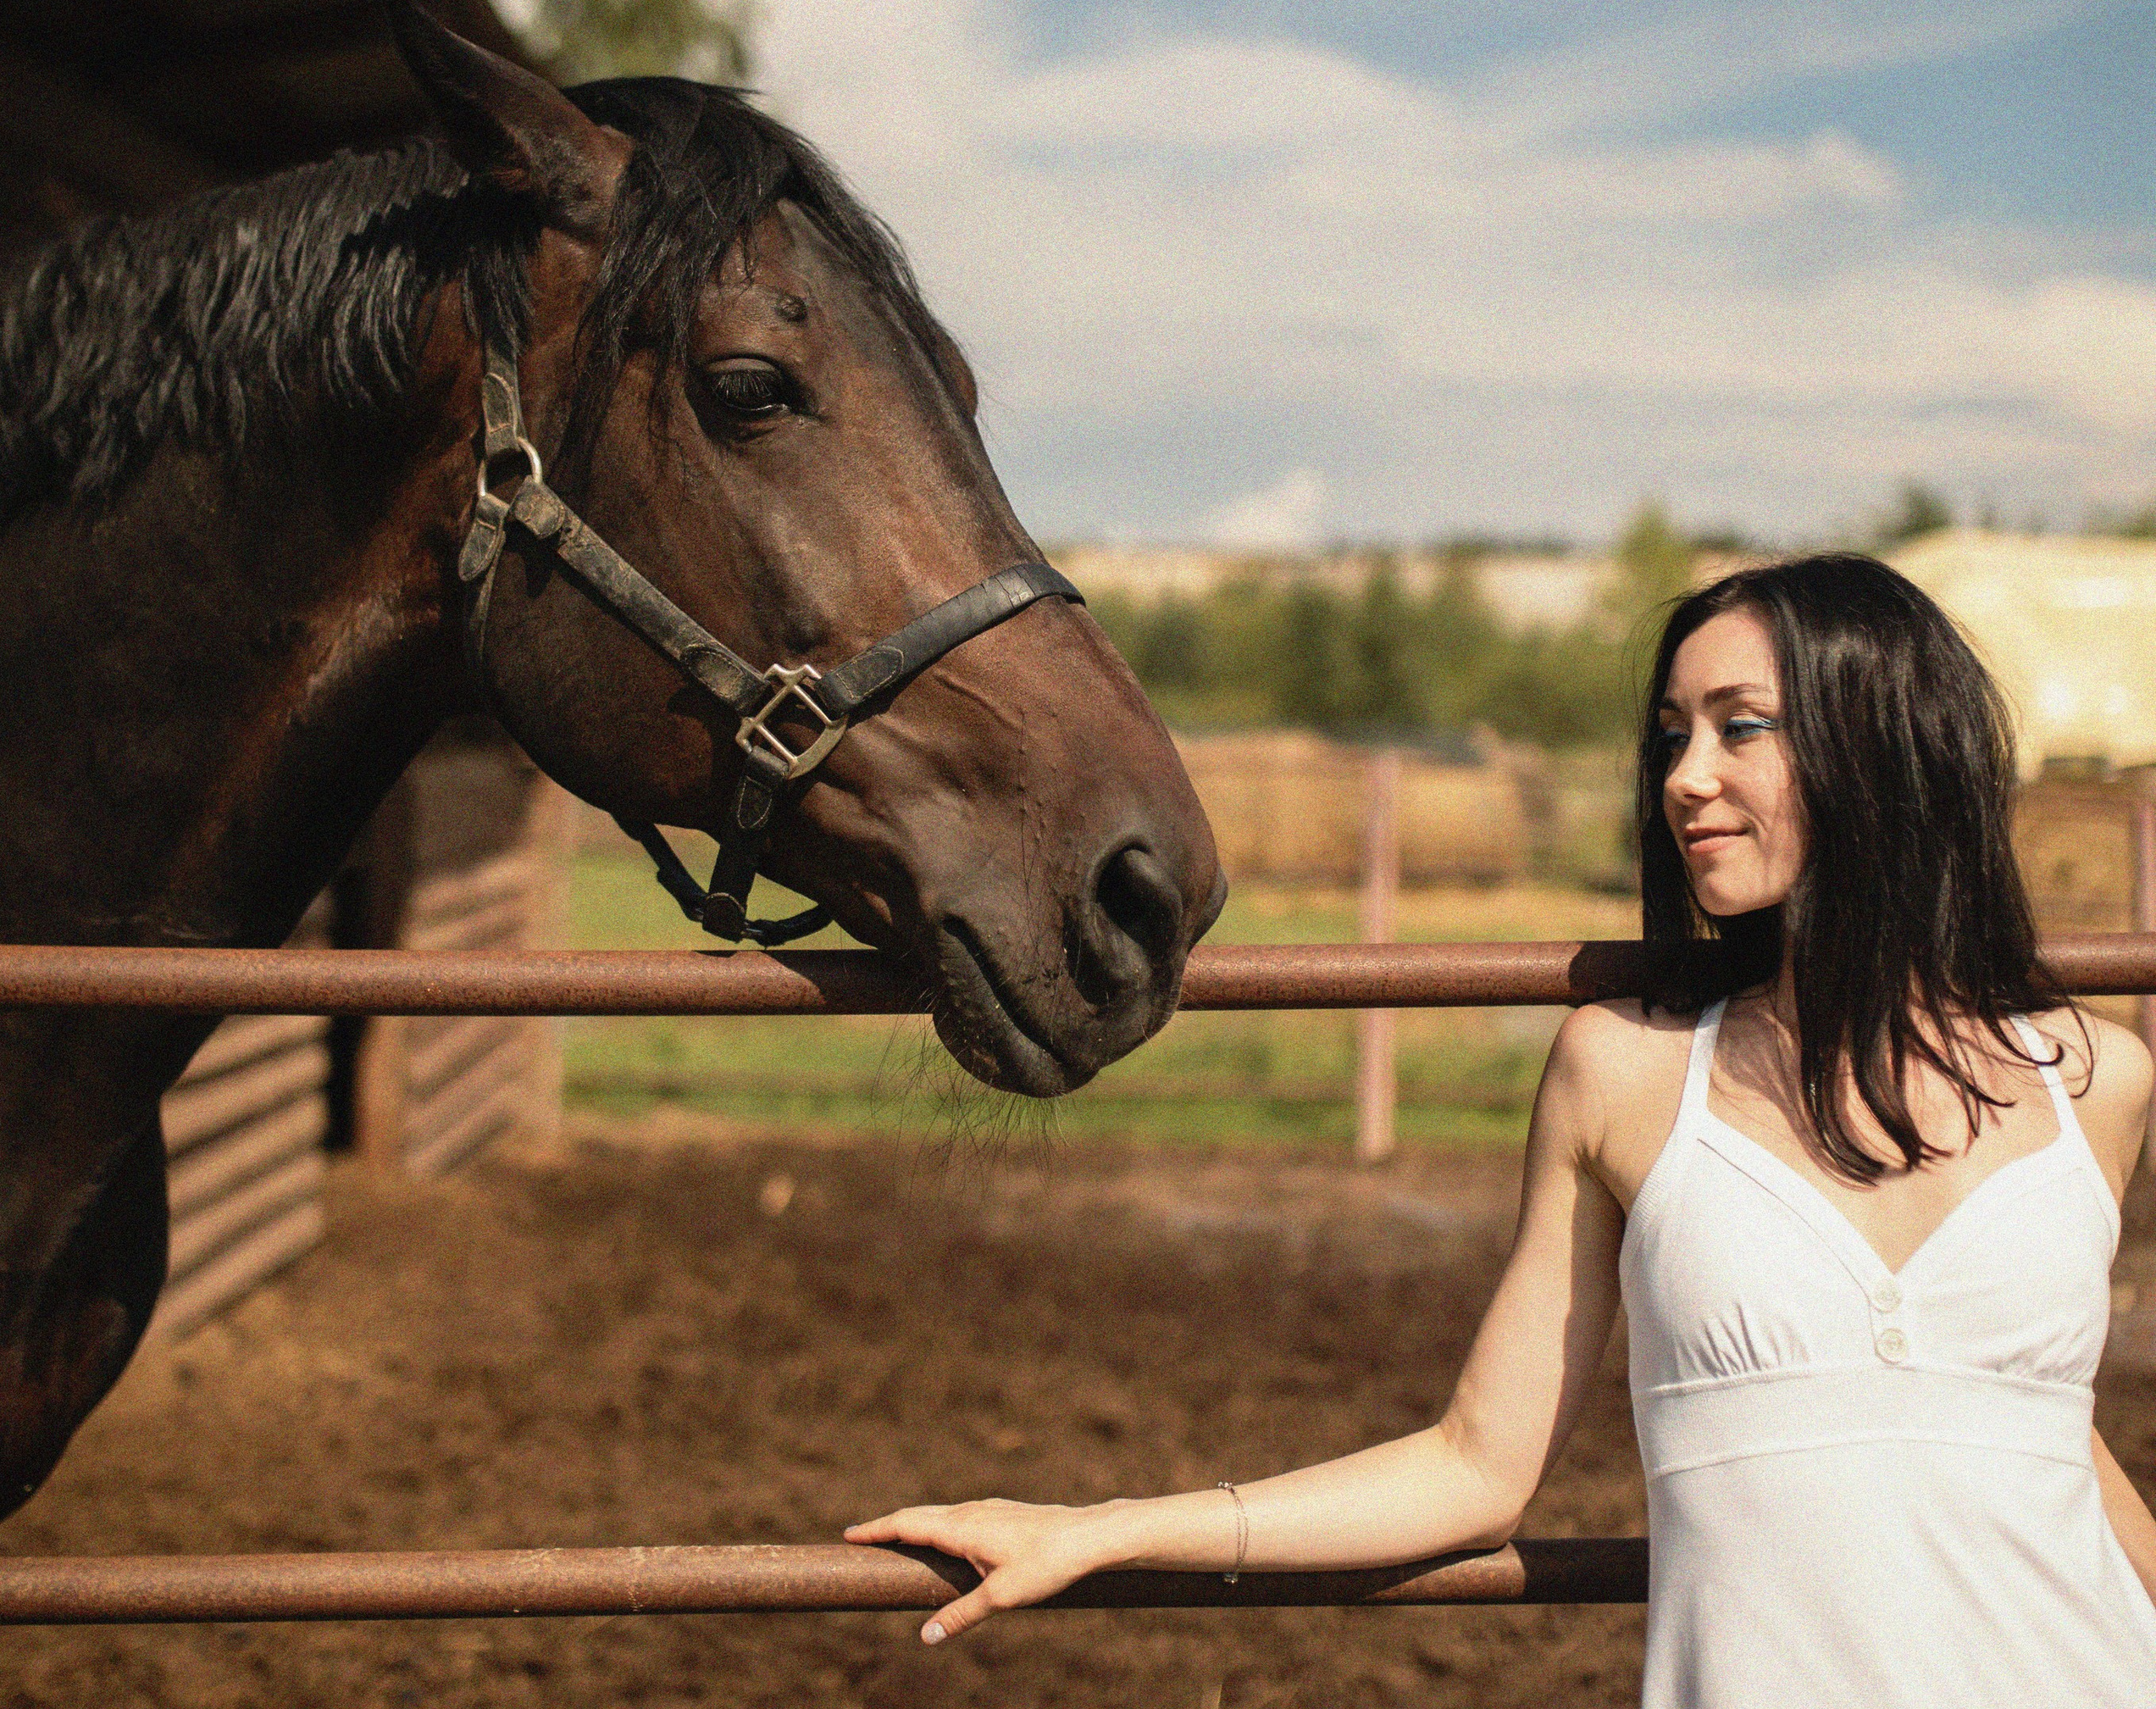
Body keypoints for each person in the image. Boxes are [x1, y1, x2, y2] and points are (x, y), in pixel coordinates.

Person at [848, 553, 2156, 1704]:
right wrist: (1106, 1531)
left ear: (1882, 746)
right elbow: (1478, 1466)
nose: (1685, 779)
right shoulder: (1627, 1075)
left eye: (1739, 727)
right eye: (1671, 737)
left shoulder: (2097, 1083)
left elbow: (2042, 1423)